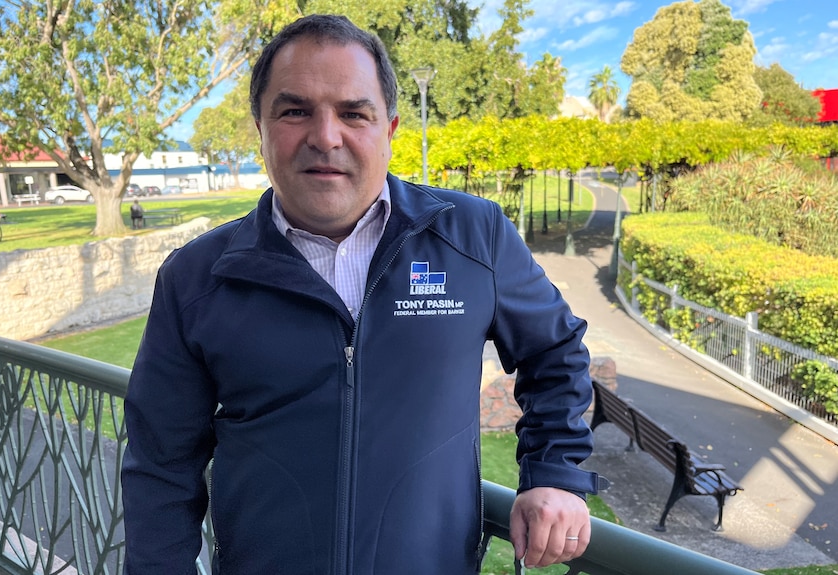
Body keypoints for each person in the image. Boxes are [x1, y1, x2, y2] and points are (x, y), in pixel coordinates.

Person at [122, 14, 603, 575]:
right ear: (260, 127)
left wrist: (554, 473)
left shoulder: (476, 237)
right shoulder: (197, 278)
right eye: (295, 110)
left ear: (390, 129)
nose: (326, 136)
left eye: (354, 113)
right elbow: (161, 465)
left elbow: (556, 352)